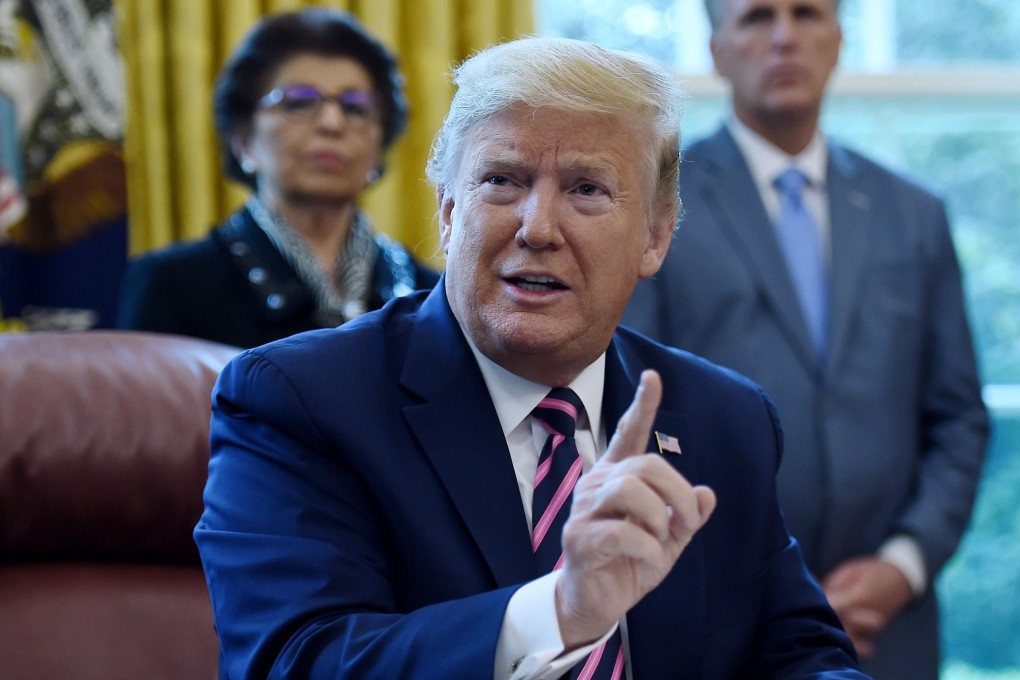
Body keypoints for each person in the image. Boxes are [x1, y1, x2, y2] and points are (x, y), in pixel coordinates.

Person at [195, 36, 871, 679]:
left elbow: (803, 654)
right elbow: (293, 661)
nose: (538, 227)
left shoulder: (724, 420)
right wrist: (559, 612)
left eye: (586, 189)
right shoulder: (300, 400)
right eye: (503, 180)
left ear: (656, 237)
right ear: (450, 211)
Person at [621, 0, 990, 677]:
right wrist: (762, 580)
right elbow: (635, 407)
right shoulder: (653, 210)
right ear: (715, 47)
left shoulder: (915, 214)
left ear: (840, 37)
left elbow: (959, 419)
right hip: (721, 620)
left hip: (888, 627)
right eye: (758, 17)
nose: (785, 37)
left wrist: (901, 566)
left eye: (808, 13)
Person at [116, 8, 438, 348]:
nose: (332, 123)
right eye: (298, 103)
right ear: (243, 140)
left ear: (379, 147)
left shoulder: (429, 294)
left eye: (356, 107)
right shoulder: (172, 284)